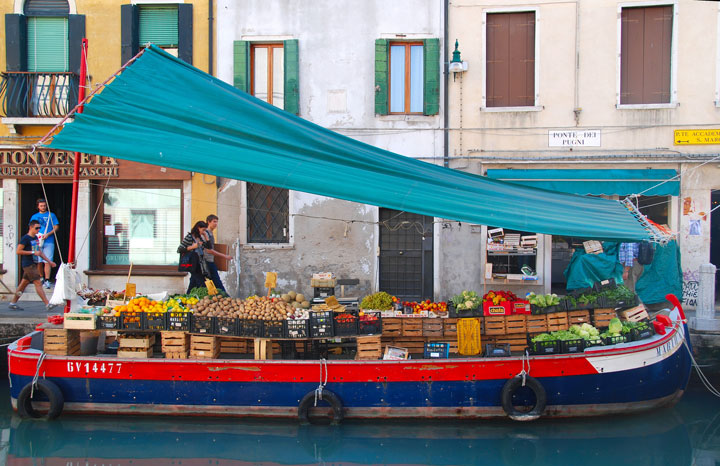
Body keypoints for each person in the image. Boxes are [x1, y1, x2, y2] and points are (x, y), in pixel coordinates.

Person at [8, 220, 58, 311]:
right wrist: (32, 252)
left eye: (39, 228)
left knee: (23, 285)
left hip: (33, 263)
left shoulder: (35, 238)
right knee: (38, 282)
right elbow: (18, 251)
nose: (38, 229)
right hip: (28, 264)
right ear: (31, 227)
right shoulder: (25, 238)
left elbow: (38, 252)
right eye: (36, 228)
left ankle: (13, 302)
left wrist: (49, 262)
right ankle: (47, 304)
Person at [30, 198, 59, 289]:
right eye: (41, 206)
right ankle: (41, 277)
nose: (43, 207)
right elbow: (31, 229)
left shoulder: (51, 215)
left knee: (47, 261)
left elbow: (56, 227)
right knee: (38, 261)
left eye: (44, 205)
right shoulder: (34, 216)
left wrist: (48, 234)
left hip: (49, 241)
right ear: (38, 206)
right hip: (36, 241)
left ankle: (47, 279)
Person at [202, 214, 232, 292]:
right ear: (208, 222)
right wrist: (224, 256)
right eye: (214, 222)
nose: (216, 224)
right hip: (206, 260)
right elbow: (208, 250)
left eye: (217, 222)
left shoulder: (210, 234)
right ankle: (225, 297)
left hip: (210, 260)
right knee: (216, 281)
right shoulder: (206, 234)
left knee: (200, 282)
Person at [178, 221, 210, 293]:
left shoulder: (199, 238)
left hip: (199, 264)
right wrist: (193, 247)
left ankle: (187, 296)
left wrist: (206, 237)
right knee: (201, 282)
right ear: (198, 228)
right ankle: (205, 297)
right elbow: (180, 249)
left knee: (193, 282)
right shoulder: (190, 237)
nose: (204, 232)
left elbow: (209, 247)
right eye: (203, 230)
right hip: (192, 263)